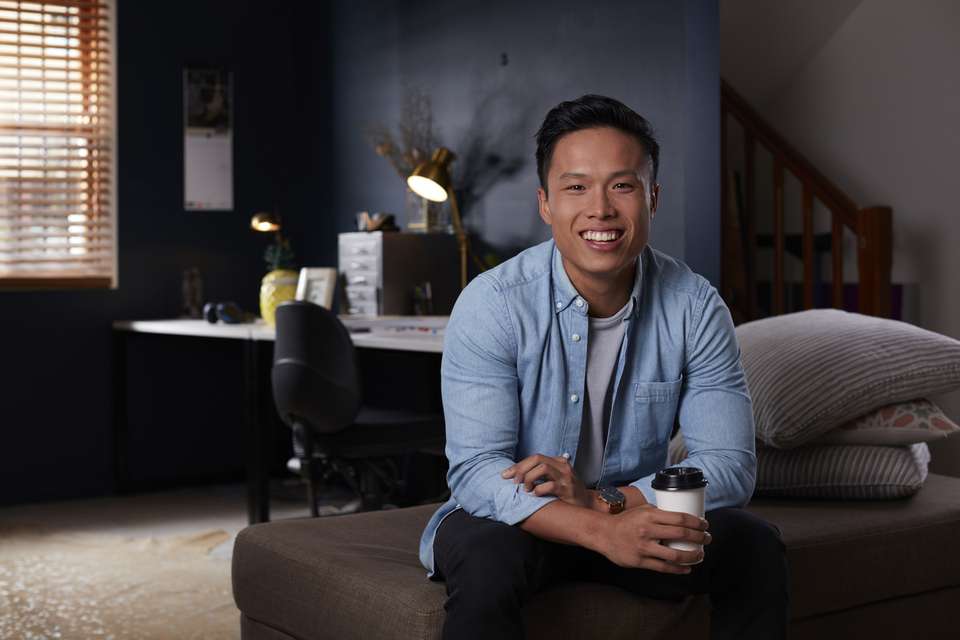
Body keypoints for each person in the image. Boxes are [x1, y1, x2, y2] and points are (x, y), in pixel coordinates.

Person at [418, 94, 789, 639]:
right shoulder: (493, 302)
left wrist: (606, 503)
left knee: (753, 544)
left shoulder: (694, 305)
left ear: (652, 197)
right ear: (545, 203)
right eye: (576, 187)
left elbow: (729, 466)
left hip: (633, 516)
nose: (601, 209)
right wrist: (593, 528)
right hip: (523, 521)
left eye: (622, 185)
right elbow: (476, 472)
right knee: (488, 553)